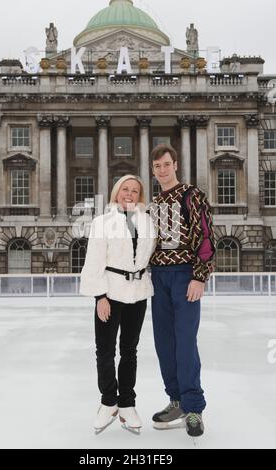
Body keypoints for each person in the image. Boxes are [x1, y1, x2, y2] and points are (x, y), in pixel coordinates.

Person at [148, 144, 215, 437]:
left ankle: (194, 408)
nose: (162, 170)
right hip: (158, 277)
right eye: (157, 167)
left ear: (175, 164)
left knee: (185, 341)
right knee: (164, 343)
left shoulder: (192, 195)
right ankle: (175, 400)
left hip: (184, 274)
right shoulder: (152, 203)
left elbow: (205, 238)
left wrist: (199, 277)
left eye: (166, 164)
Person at [80, 175, 156, 434]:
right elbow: (93, 262)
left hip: (138, 293)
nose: (130, 194)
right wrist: (99, 296)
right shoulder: (102, 222)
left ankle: (127, 403)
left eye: (135, 191)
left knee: (130, 351)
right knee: (105, 351)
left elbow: (151, 257)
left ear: (140, 195)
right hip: (110, 293)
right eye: (126, 189)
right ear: (116, 192)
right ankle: (108, 401)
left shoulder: (148, 223)